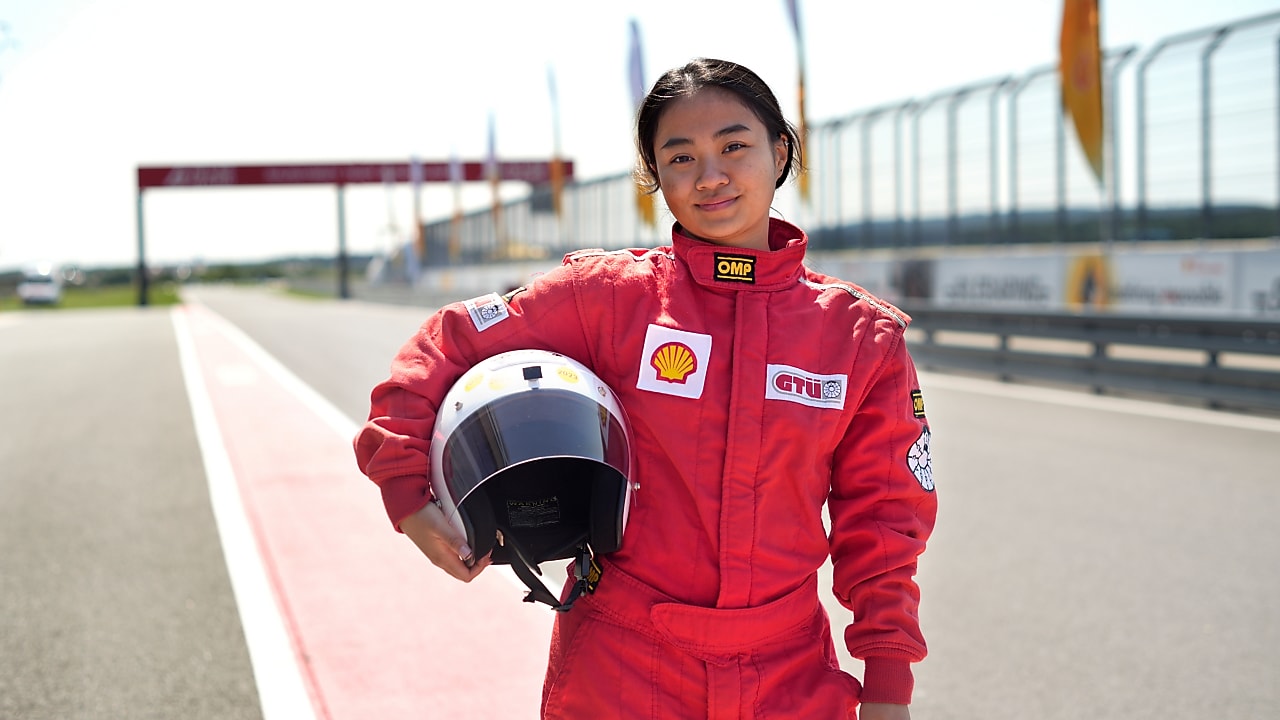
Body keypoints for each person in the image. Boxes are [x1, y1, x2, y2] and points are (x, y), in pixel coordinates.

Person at [354, 57, 937, 720]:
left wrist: (888, 685)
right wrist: (406, 495)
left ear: (780, 152)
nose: (710, 176)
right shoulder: (609, 297)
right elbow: (445, 342)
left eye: (735, 146)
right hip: (621, 668)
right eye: (679, 157)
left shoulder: (859, 337)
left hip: (790, 677)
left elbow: (885, 522)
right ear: (655, 177)